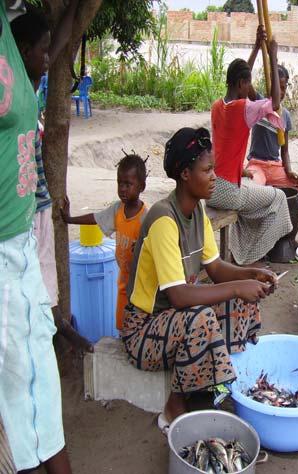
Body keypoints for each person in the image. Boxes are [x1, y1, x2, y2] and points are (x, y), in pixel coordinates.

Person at [123, 127, 278, 422]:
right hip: (143, 331)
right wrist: (237, 287)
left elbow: (217, 269)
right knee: (202, 318)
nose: (214, 177)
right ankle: (175, 409)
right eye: (207, 170)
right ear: (184, 174)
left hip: (170, 320)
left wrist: (252, 274)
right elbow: (180, 296)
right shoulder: (163, 219)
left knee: (239, 301)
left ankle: (218, 384)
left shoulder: (197, 212)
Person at [0, 0, 72, 472]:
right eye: (43, 52)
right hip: (7, 251)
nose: (48, 60)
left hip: (20, 239)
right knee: (28, 388)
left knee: (32, 379)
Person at [11, 2, 93, 353]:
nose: (48, 59)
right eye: (41, 52)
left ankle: (56, 327)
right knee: (29, 276)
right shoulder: (15, 93)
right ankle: (51, 331)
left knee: (46, 272)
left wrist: (74, 9)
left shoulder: (30, 84)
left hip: (39, 201)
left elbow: (59, 41)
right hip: (20, 209)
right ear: (23, 52)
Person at [208, 26, 292, 265]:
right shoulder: (244, 109)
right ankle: (247, 256)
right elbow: (275, 102)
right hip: (227, 193)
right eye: (249, 84)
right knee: (278, 198)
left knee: (252, 194)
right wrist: (273, 56)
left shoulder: (217, 105)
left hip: (212, 186)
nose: (251, 89)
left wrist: (256, 48)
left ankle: (239, 250)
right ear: (242, 83)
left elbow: (242, 75)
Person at [61, 154, 148, 331]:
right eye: (120, 183)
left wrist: (141, 247)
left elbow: (152, 247)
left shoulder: (145, 217)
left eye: (128, 184)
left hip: (139, 286)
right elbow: (96, 218)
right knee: (121, 325)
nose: (122, 189)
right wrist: (69, 219)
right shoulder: (118, 209)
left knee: (137, 326)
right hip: (123, 281)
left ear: (141, 186)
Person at [246, 64, 298, 244]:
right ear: (270, 85)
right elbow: (246, 80)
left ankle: (289, 238)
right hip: (257, 165)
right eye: (279, 87)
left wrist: (289, 170)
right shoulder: (260, 104)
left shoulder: (285, 116)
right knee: (254, 189)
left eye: (284, 87)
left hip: (276, 167)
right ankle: (256, 240)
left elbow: (284, 151)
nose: (282, 91)